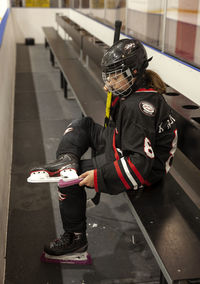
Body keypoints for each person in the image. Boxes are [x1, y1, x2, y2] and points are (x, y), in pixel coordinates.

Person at [29, 38, 177, 261]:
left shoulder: (137, 107)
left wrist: (99, 177)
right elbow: (121, 131)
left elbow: (139, 165)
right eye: (109, 75)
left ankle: (75, 240)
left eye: (115, 76)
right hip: (123, 143)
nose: (109, 81)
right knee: (84, 124)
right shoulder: (133, 92)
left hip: (144, 169)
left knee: (70, 182)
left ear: (133, 73)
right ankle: (67, 161)